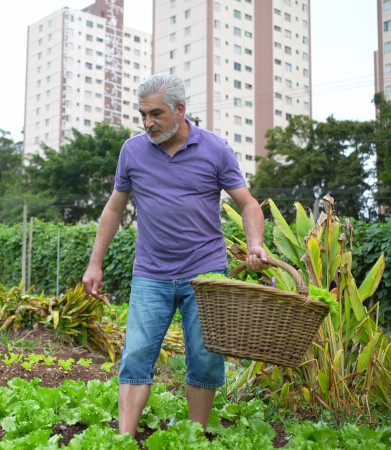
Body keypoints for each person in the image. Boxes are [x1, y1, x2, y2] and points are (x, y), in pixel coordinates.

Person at [82, 73, 270, 436]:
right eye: (143, 115)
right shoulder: (132, 151)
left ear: (180, 110)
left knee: (204, 358)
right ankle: (124, 439)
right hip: (151, 272)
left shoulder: (216, 149)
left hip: (205, 272)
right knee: (136, 354)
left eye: (156, 114)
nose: (148, 123)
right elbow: (113, 209)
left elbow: (248, 205)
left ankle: (194, 437)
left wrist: (256, 244)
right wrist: (95, 263)